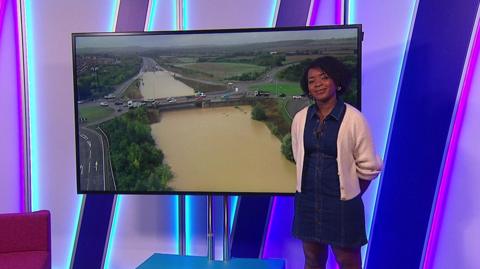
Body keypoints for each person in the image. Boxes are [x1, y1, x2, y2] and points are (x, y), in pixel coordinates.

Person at [291, 56, 382, 269]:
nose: (318, 84)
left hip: (342, 204)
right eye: (312, 81)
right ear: (308, 88)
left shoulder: (354, 119)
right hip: (307, 201)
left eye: (324, 78)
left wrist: (349, 194)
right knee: (312, 259)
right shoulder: (300, 118)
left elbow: (369, 166)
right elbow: (299, 155)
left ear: (336, 81)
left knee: (347, 261)